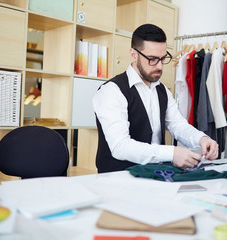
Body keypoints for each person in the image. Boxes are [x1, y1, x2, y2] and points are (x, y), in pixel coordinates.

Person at [93, 24, 219, 173]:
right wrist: (172, 153)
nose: (160, 66)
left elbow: (178, 125)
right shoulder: (111, 91)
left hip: (156, 176)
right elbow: (120, 146)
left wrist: (202, 139)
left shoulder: (162, 90)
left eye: (163, 58)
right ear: (134, 54)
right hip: (118, 179)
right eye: (152, 59)